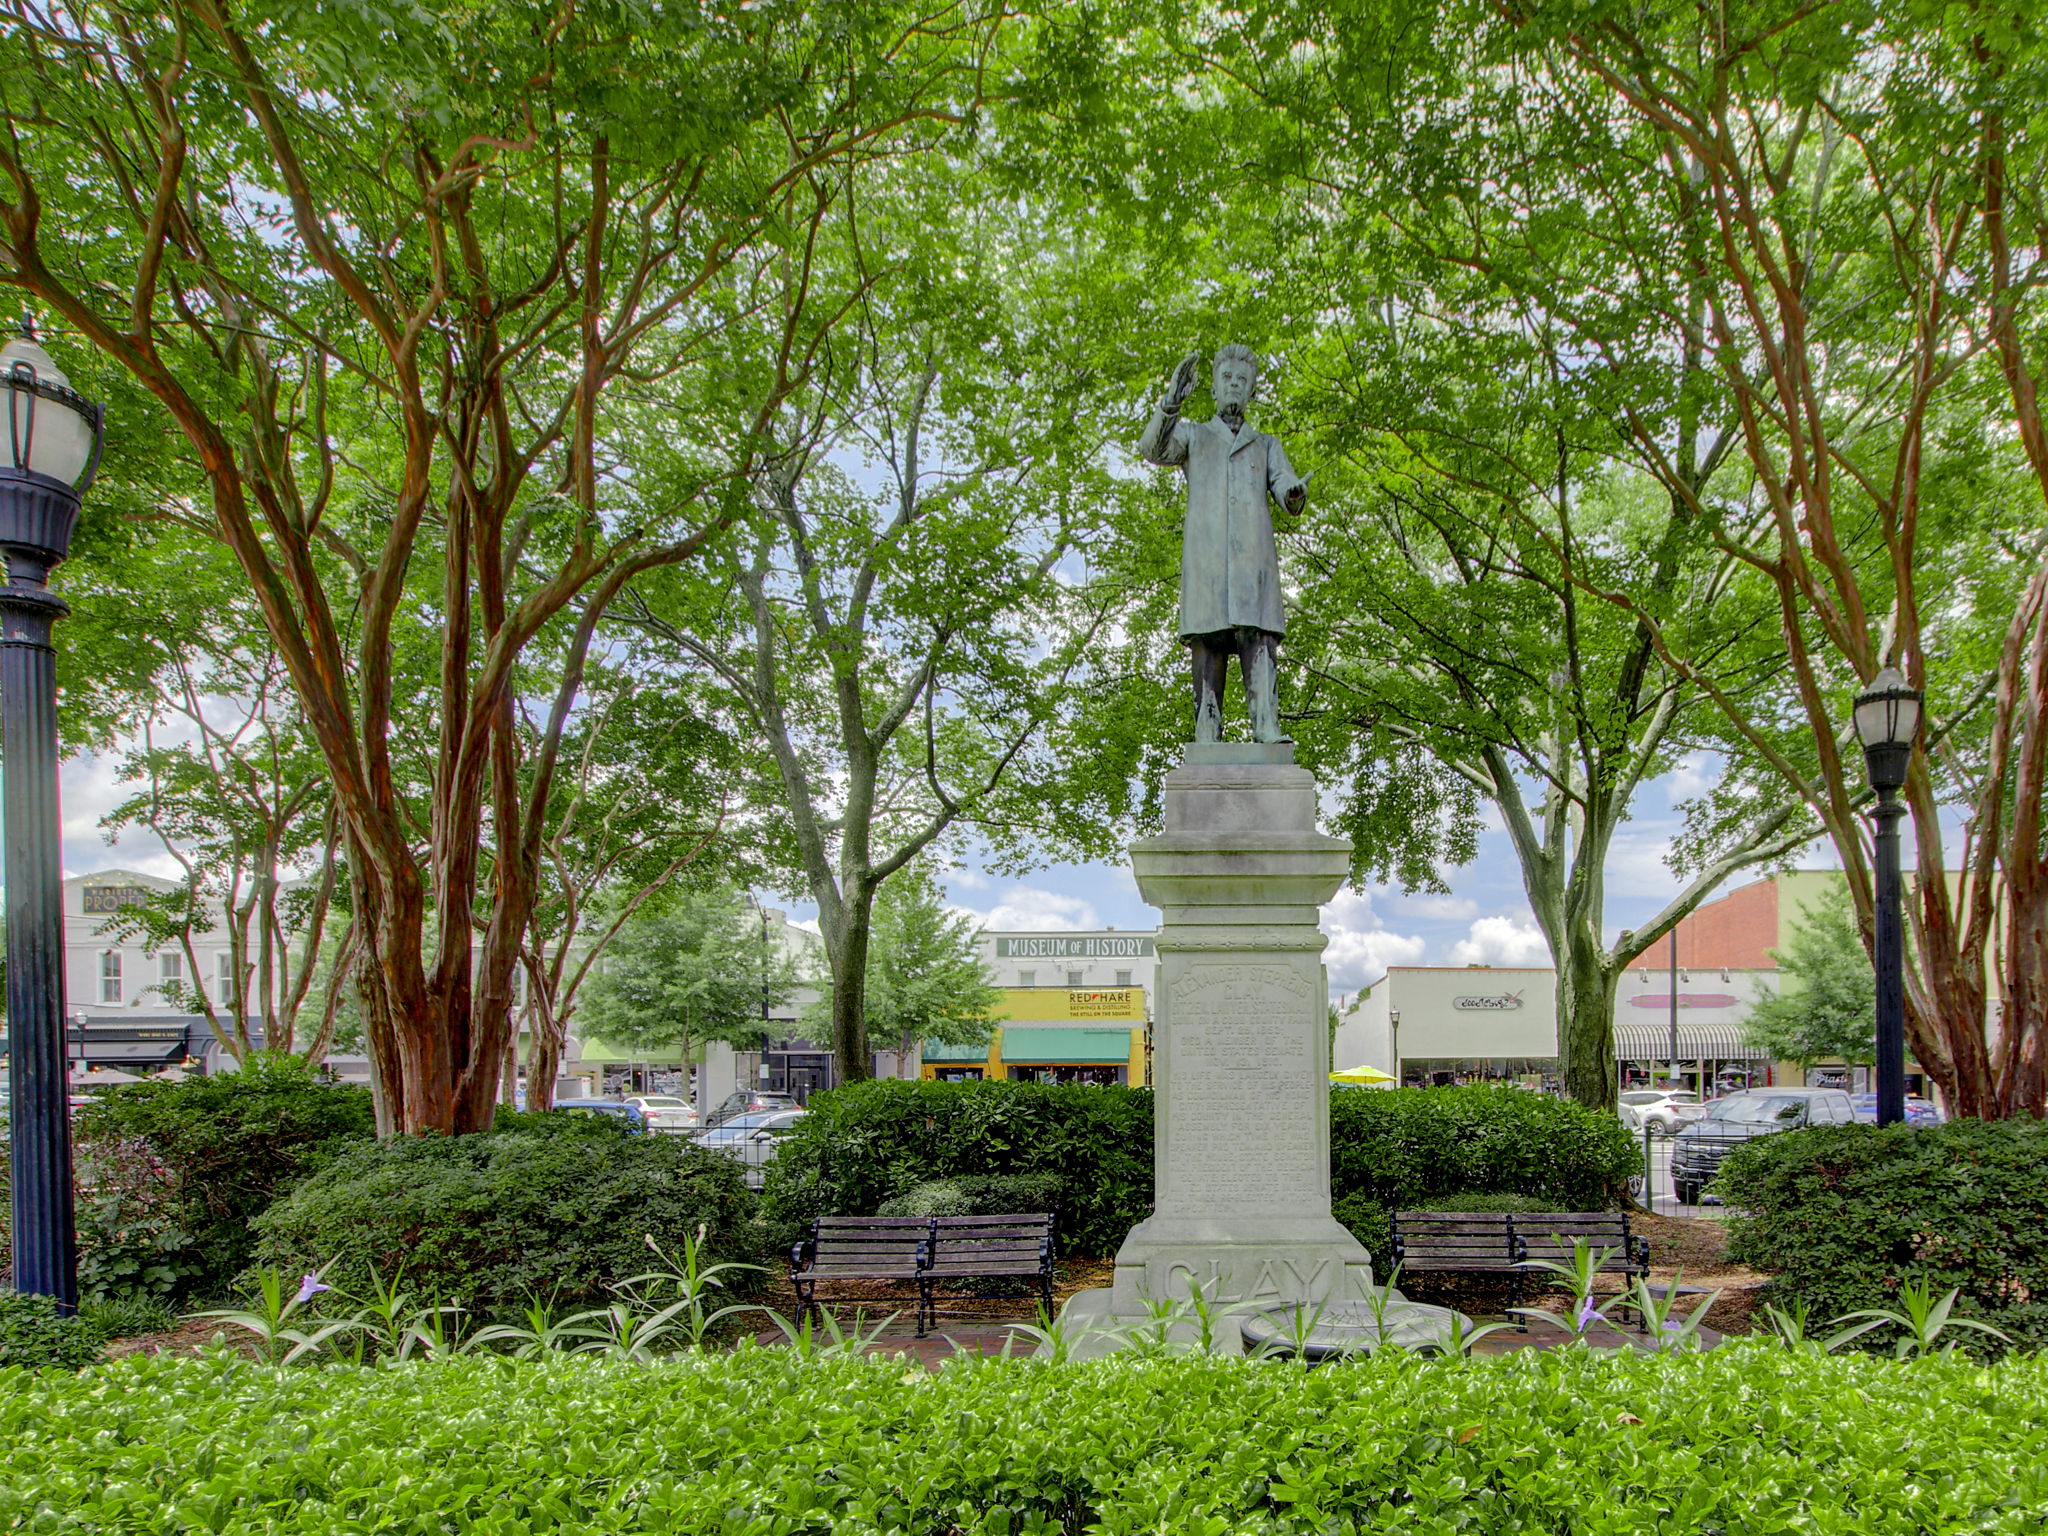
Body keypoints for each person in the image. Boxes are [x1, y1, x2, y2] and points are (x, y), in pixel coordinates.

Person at [1137, 345, 1308, 743]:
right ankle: (1206, 728)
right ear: (1214, 387)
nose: (1234, 385)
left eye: (1242, 380)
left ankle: (1266, 723)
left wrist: (1293, 494)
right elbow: (1152, 449)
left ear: (1251, 391)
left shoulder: (1266, 443)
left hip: (1253, 560)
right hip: (1208, 559)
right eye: (1227, 378)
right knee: (1208, 638)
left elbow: (1285, 483)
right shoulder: (1193, 435)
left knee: (1258, 637)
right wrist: (1171, 402)